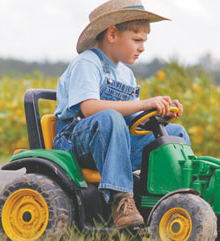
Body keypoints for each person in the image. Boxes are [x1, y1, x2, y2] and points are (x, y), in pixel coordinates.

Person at [53, 0, 190, 228]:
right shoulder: (87, 63)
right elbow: (89, 108)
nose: (142, 48)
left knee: (175, 133)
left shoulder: (126, 74)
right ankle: (121, 200)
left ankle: (173, 198)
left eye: (144, 41)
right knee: (110, 117)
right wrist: (144, 102)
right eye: (137, 40)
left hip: (115, 140)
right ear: (113, 34)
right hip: (76, 141)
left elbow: (132, 120)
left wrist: (159, 117)